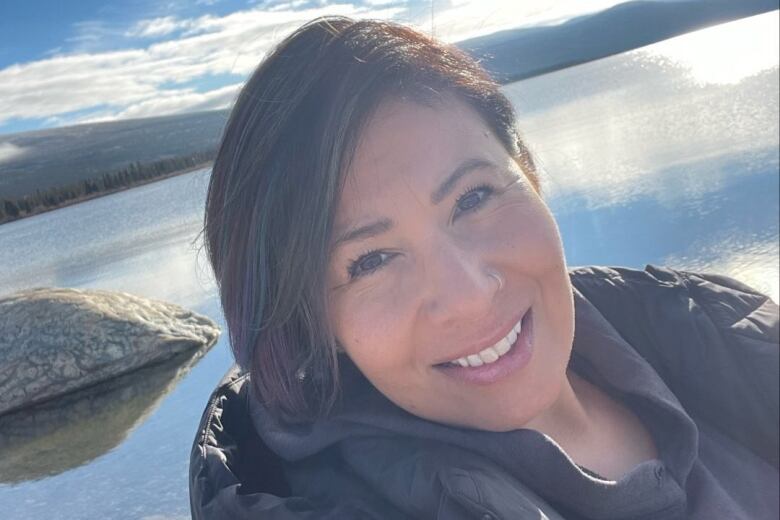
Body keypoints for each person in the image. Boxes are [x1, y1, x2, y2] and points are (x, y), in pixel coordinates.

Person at [189, 16, 779, 519]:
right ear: (315, 323)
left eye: (473, 197)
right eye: (370, 261)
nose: (469, 294)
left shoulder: (701, 328)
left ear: (526, 170)